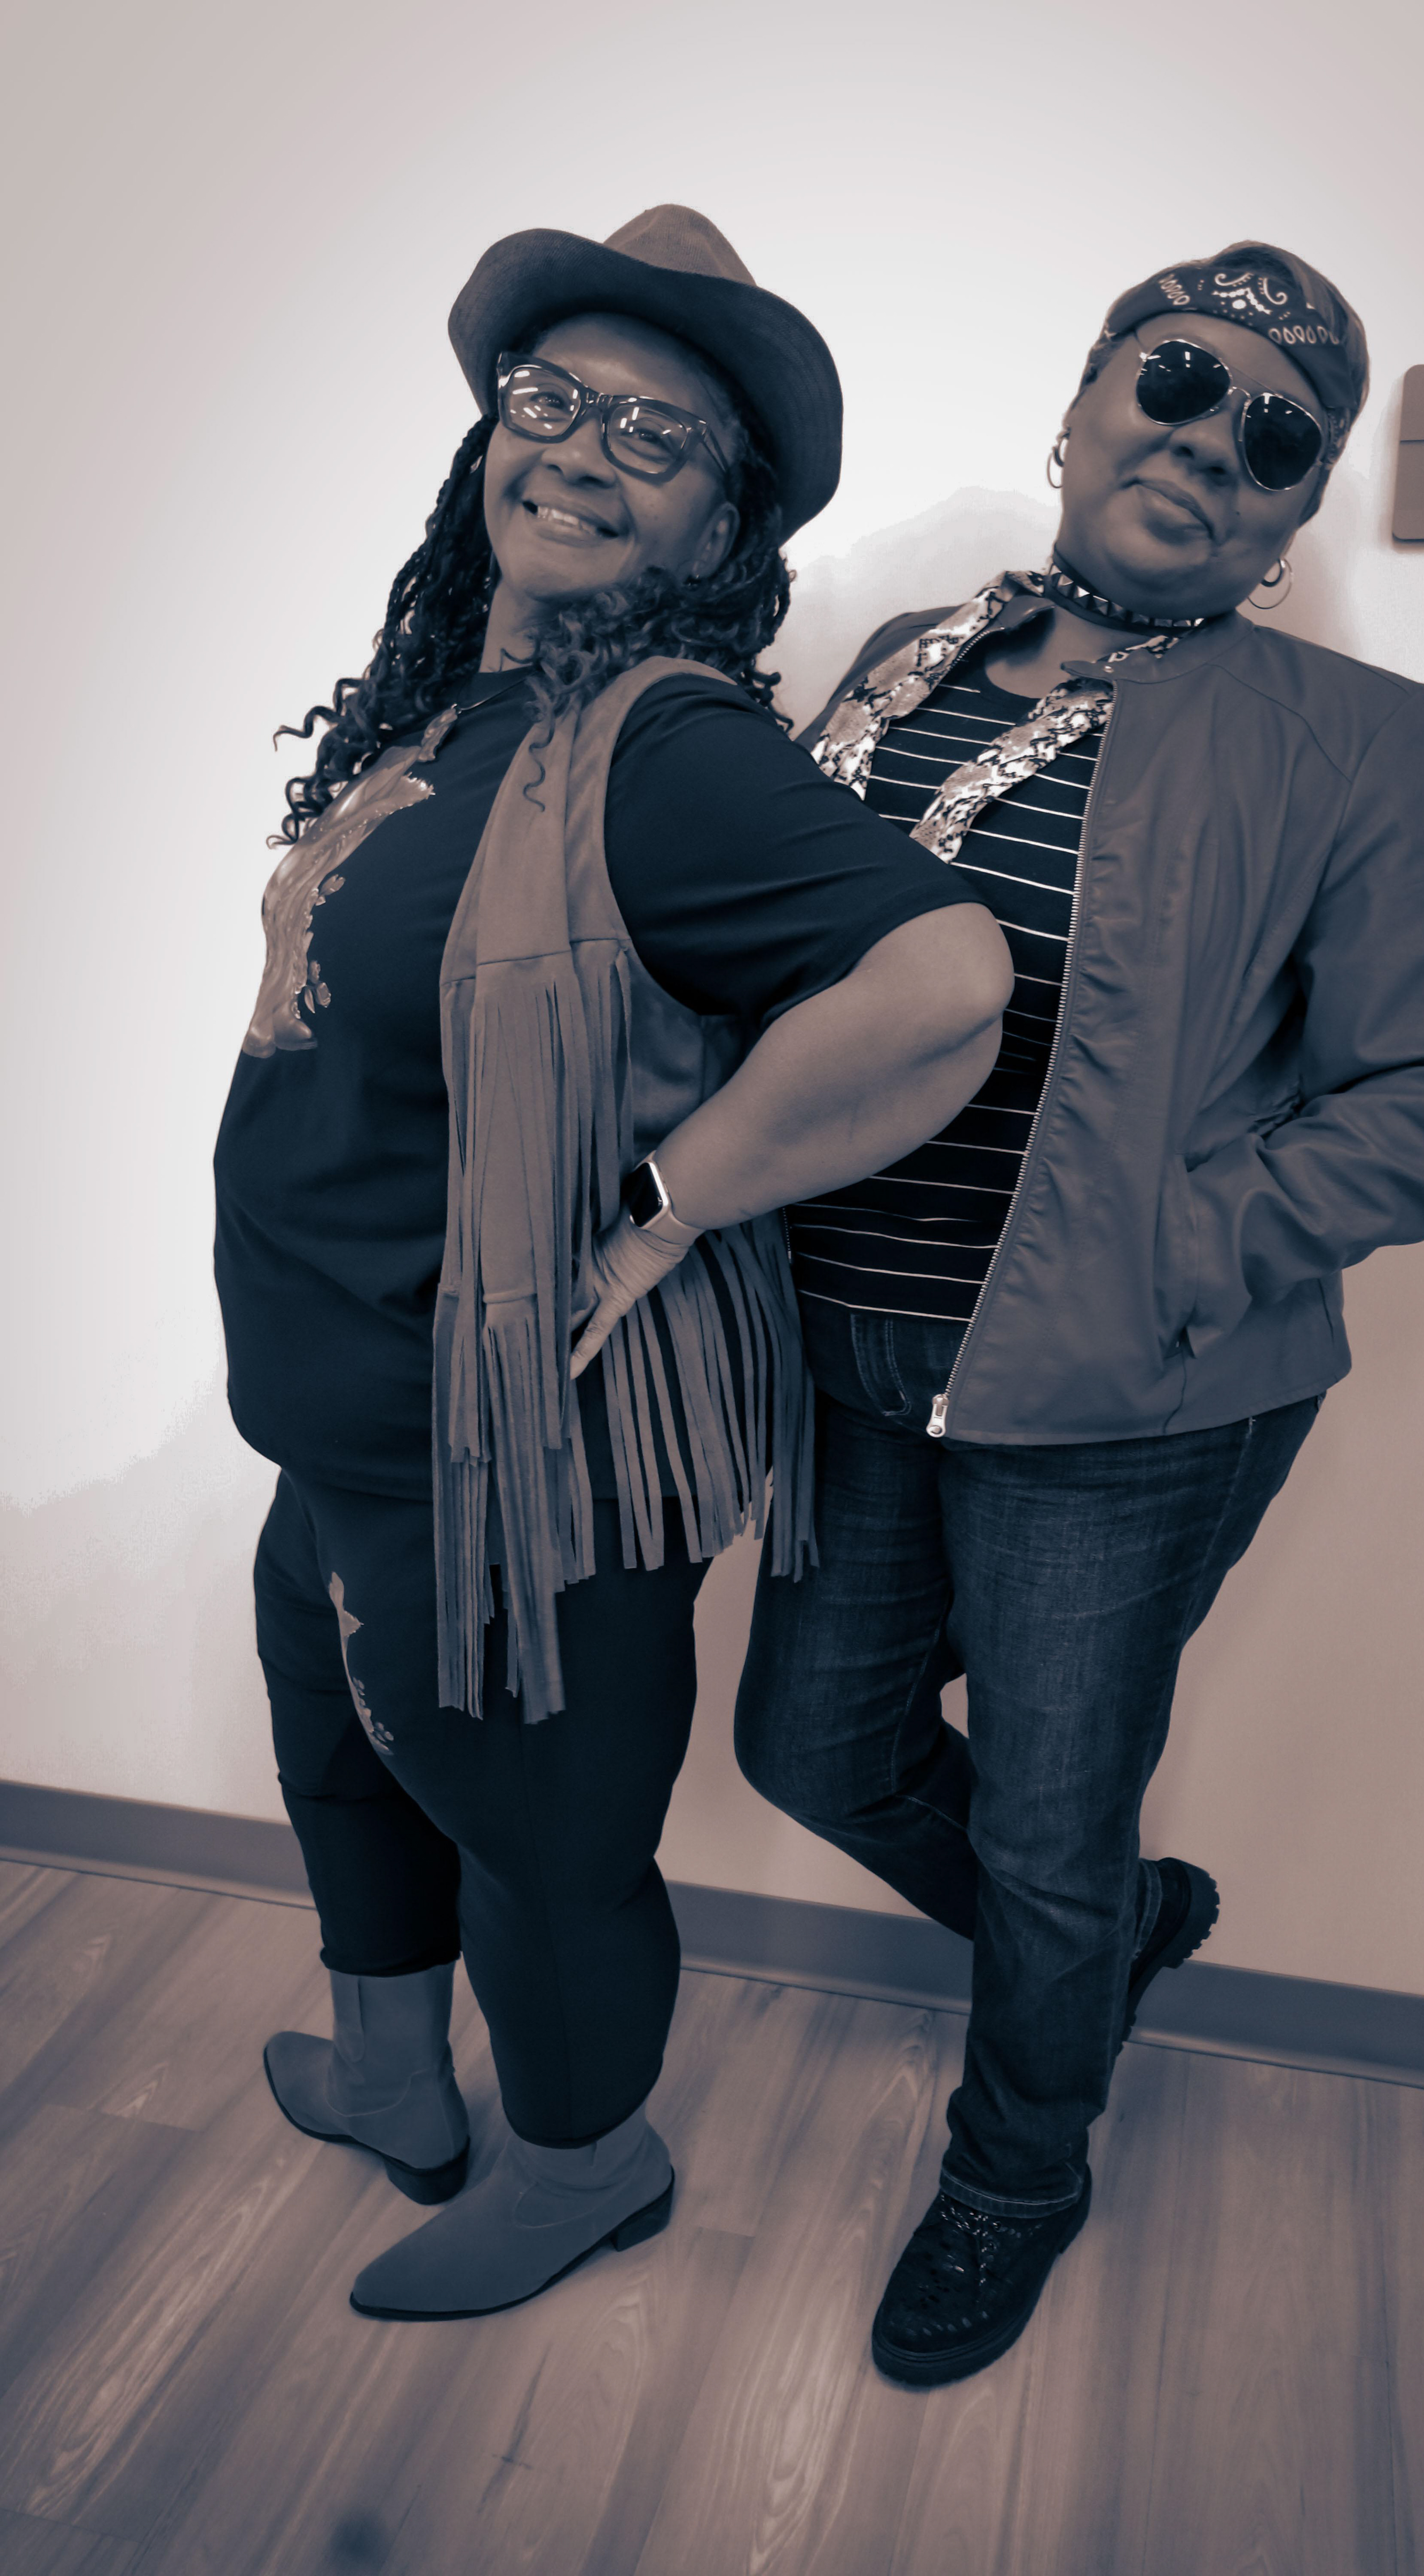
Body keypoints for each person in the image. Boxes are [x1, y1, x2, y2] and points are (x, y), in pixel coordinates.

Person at [736, 243, 1424, 2388]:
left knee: (1046, 1822)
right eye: (1177, 381)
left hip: (1122, 1393)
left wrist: (1182, 1247)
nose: (1209, 443)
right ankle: (1113, 1945)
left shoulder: (1358, 741)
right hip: (848, 1348)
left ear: (1292, 519)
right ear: (1083, 406)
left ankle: (1021, 2167)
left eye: (1276, 437)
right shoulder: (900, 667)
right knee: (809, 1749)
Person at [214, 206, 1013, 2323]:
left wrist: (680, 1197)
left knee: (541, 1843)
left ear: (724, 521)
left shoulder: (664, 748)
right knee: (342, 1754)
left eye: (657, 433)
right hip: (342, 1407)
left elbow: (942, 978)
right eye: (549, 397)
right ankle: (392, 2078)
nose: (580, 446)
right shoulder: (462, 714)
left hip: (508, 1456)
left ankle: (587, 2166)